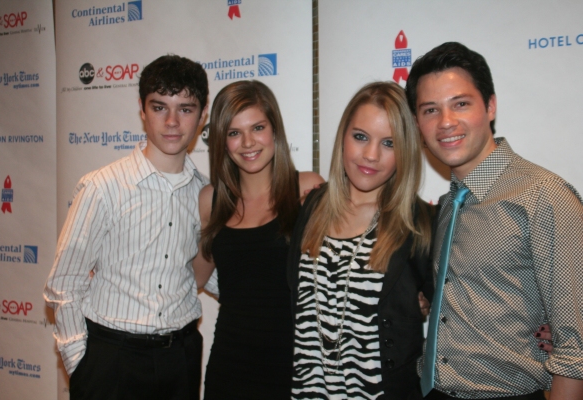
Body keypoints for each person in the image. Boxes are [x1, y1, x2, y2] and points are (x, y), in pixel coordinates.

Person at [405, 42, 583, 400]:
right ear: (417, 123)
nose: (446, 123)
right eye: (430, 110)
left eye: (461, 104)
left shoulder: (543, 196)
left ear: (490, 106)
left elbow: (574, 351)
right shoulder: (447, 204)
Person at [44, 55, 209, 400]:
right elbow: (65, 282)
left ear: (203, 114)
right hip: (111, 361)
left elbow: (214, 273)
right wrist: (81, 365)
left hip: (181, 358)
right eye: (160, 107)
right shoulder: (102, 186)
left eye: (186, 108)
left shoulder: (205, 194)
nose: (173, 121)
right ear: (142, 109)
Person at [288, 81, 434, 399]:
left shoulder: (418, 223)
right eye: (360, 137)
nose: (370, 155)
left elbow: (449, 313)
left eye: (389, 143)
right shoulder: (313, 205)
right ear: (343, 137)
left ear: (405, 150)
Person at [193, 80, 323, 399]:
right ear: (222, 140)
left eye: (258, 127)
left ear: (274, 130)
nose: (247, 142)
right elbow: (191, 277)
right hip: (230, 365)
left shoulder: (306, 190)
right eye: (234, 132)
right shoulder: (211, 201)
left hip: (296, 366)